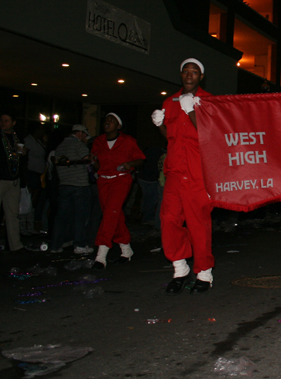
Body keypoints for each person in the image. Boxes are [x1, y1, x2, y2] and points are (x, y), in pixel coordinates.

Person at [152, 58, 214, 294]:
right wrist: (159, 124)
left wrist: (192, 111)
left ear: (201, 77)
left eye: (194, 72)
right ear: (181, 75)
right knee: (169, 219)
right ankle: (180, 268)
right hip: (175, 171)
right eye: (185, 72)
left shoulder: (208, 101)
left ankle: (204, 273)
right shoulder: (170, 101)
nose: (189, 75)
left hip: (198, 172)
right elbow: (170, 136)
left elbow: (210, 134)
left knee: (198, 223)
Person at [91, 113, 145, 268]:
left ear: (119, 126)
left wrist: (130, 164)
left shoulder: (127, 141)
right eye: (106, 120)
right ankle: (126, 249)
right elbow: (97, 166)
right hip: (103, 181)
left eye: (111, 121)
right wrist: (93, 162)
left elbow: (141, 160)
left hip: (121, 180)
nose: (107, 122)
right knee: (114, 215)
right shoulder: (98, 141)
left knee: (110, 213)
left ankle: (101, 254)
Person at [50, 124, 93, 254]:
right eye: (85, 135)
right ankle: (79, 244)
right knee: (80, 215)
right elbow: (88, 160)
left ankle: (55, 245)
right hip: (79, 185)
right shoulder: (78, 145)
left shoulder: (60, 146)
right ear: (79, 133)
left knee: (62, 216)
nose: (85, 138)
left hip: (64, 184)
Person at [0, 113, 25, 253]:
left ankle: (15, 245)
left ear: (13, 123)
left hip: (13, 179)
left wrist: (22, 154)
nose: (3, 123)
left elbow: (19, 158)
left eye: (6, 120)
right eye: (2, 120)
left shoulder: (17, 137)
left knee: (12, 214)